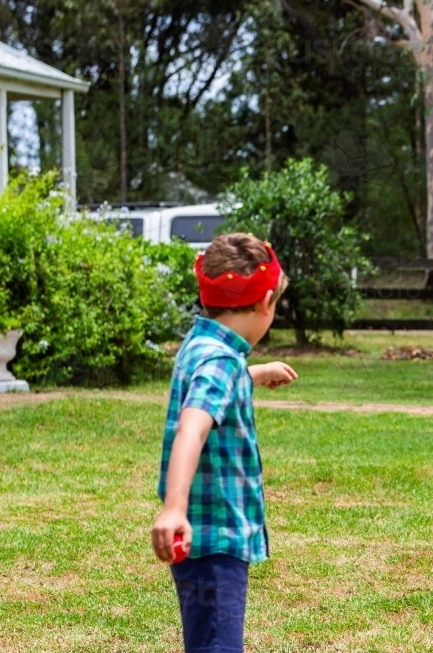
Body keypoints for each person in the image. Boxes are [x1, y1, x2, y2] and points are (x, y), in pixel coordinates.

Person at [151, 233, 298, 652]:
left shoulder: (204, 345)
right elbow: (193, 425)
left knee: (207, 639)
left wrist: (254, 372)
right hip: (215, 533)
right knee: (218, 644)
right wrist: (174, 508)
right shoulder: (220, 360)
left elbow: (209, 387)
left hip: (203, 535)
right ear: (267, 301)